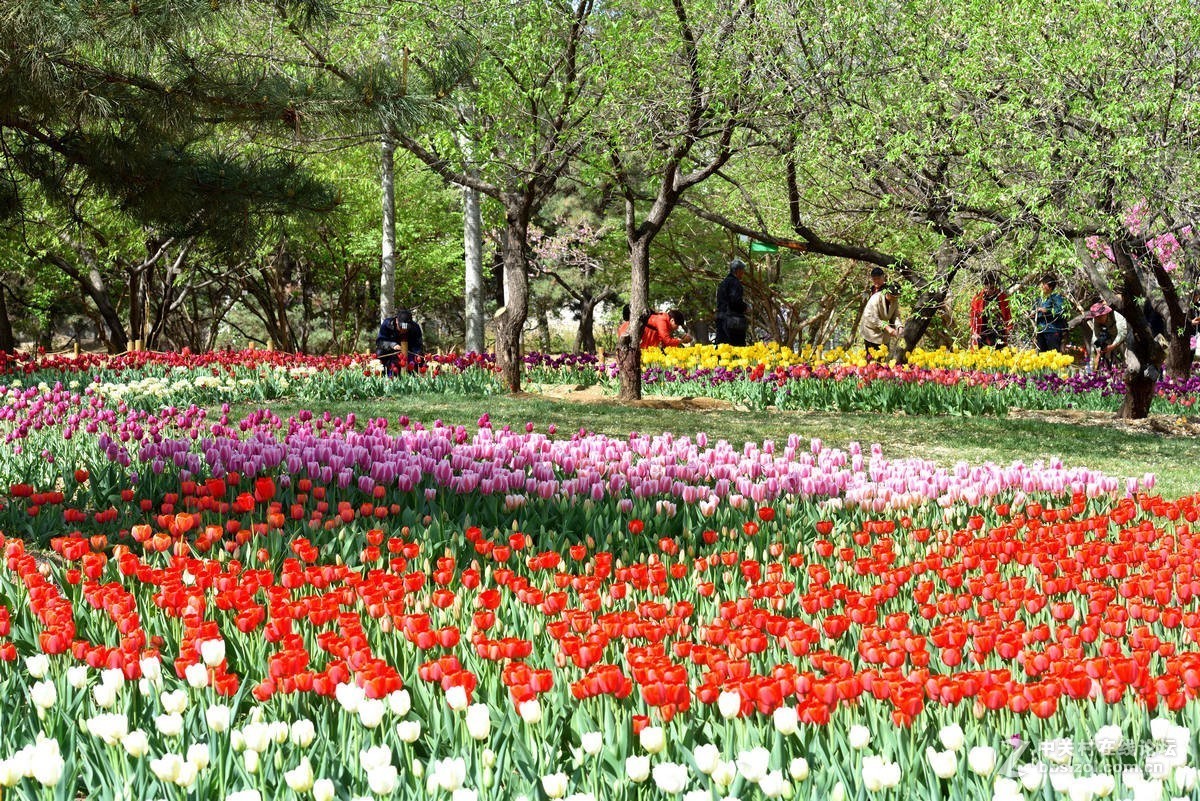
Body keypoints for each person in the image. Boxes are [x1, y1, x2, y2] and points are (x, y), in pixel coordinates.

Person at [969, 272, 1012, 349]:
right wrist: (974, 332)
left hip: (999, 331)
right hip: (982, 332)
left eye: (992, 288)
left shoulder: (1002, 297)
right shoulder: (978, 298)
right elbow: (974, 316)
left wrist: (1008, 329)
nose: (989, 291)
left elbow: (1007, 314)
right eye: (986, 287)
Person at [859, 282, 901, 360]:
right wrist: (888, 328)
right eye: (893, 296)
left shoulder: (894, 300)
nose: (895, 299)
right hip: (871, 332)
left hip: (884, 334)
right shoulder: (875, 298)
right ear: (887, 293)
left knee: (882, 360)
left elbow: (895, 315)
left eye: (897, 297)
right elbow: (871, 317)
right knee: (872, 360)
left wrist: (899, 326)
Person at [376, 308, 424, 375]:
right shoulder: (387, 324)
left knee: (419, 355)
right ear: (396, 321)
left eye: (407, 327)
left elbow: (418, 344)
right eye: (401, 327)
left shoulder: (415, 327)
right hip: (390, 350)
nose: (404, 329)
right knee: (379, 353)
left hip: (409, 350)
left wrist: (416, 352)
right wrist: (393, 345)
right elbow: (380, 341)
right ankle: (382, 375)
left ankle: (415, 376)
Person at [1084, 301, 1127, 370]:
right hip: (1108, 335)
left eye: (1100, 317)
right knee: (1103, 353)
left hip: (1125, 336)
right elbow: (1096, 335)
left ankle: (1124, 365)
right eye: (1096, 317)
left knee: (1124, 354)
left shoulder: (1118, 317)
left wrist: (1113, 346)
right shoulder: (1096, 320)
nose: (1097, 319)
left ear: (1106, 314)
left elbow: (1122, 334)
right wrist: (1098, 350)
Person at [715, 258, 749, 346]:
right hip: (732, 322)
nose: (743, 273)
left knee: (722, 348)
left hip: (721, 319)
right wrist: (745, 307)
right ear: (737, 270)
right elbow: (735, 301)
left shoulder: (723, 283)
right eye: (742, 271)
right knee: (736, 349)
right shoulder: (735, 283)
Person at [1033, 275, 1069, 352]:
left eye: (1043, 284)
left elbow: (1061, 311)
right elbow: (1036, 312)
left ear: (1050, 287)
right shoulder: (1038, 299)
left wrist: (1047, 310)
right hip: (1040, 330)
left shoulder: (1056, 297)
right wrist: (1033, 314)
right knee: (1041, 355)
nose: (1041, 286)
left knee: (1053, 354)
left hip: (1052, 330)